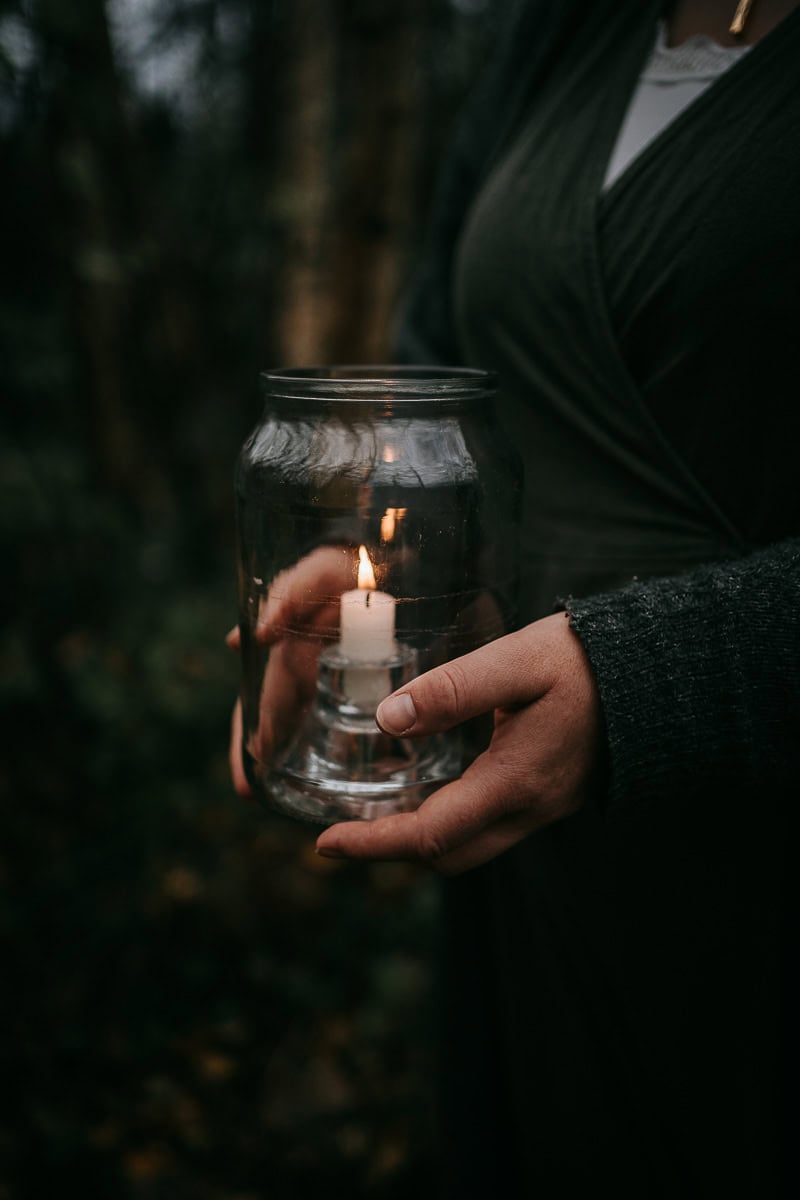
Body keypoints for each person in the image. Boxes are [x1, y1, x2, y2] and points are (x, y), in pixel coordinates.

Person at [232, 1, 800, 1193]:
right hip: (516, 819)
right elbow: (437, 359)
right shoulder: (561, 31)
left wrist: (652, 679)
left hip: (753, 858)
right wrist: (382, 564)